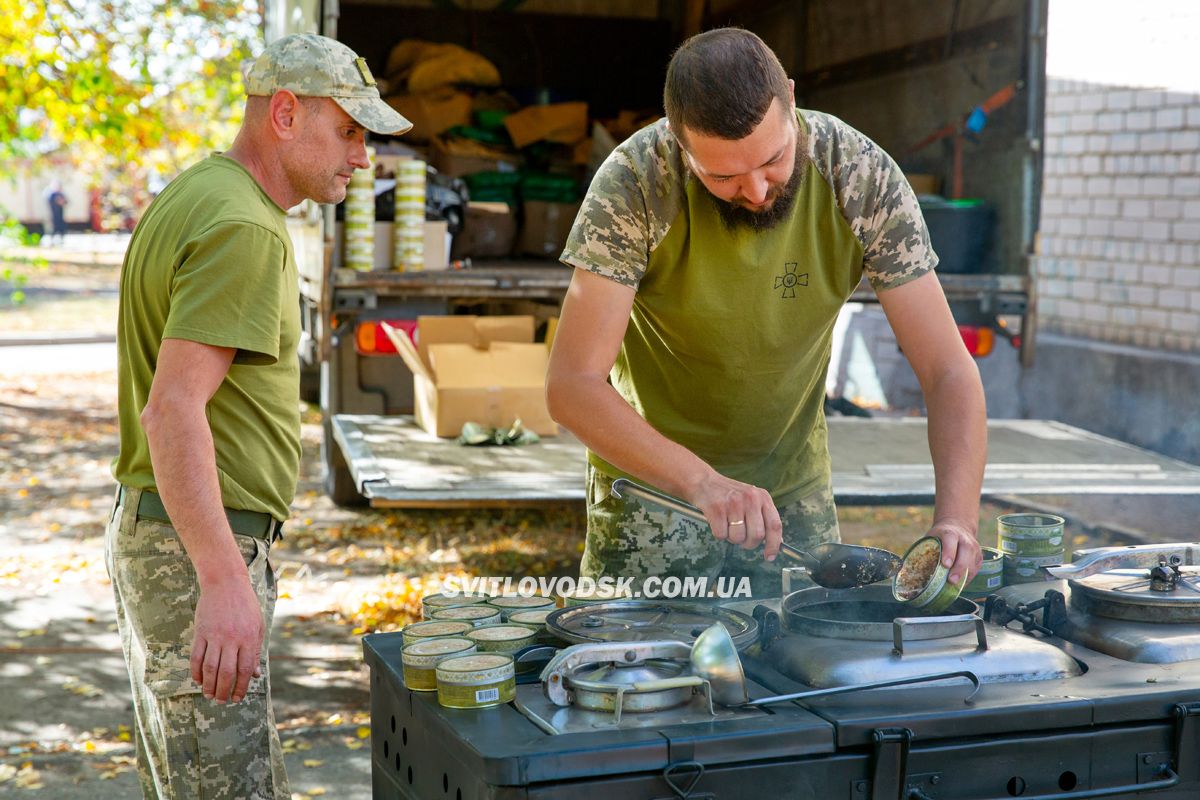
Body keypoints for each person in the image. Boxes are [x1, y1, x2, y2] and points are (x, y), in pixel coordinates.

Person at [546, 28, 986, 599]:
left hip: (791, 492)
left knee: (804, 670)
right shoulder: (634, 182)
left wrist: (957, 520)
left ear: (792, 100)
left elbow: (947, 370)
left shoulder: (859, 175)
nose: (755, 190)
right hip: (652, 495)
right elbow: (572, 386)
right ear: (679, 145)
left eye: (774, 159)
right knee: (634, 679)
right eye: (723, 176)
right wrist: (702, 483)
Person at [107, 34, 410, 798]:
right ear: (284, 114)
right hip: (197, 548)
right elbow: (172, 408)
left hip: (169, 535)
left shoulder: (203, 193)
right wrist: (221, 575)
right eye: (348, 131)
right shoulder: (243, 226)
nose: (362, 156)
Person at [45, 180, 67, 245]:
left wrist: (62, 202)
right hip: (53, 215)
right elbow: (50, 202)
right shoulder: (52, 195)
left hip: (60, 215)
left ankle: (61, 240)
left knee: (62, 228)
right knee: (53, 229)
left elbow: (65, 202)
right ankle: (52, 241)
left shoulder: (61, 194)